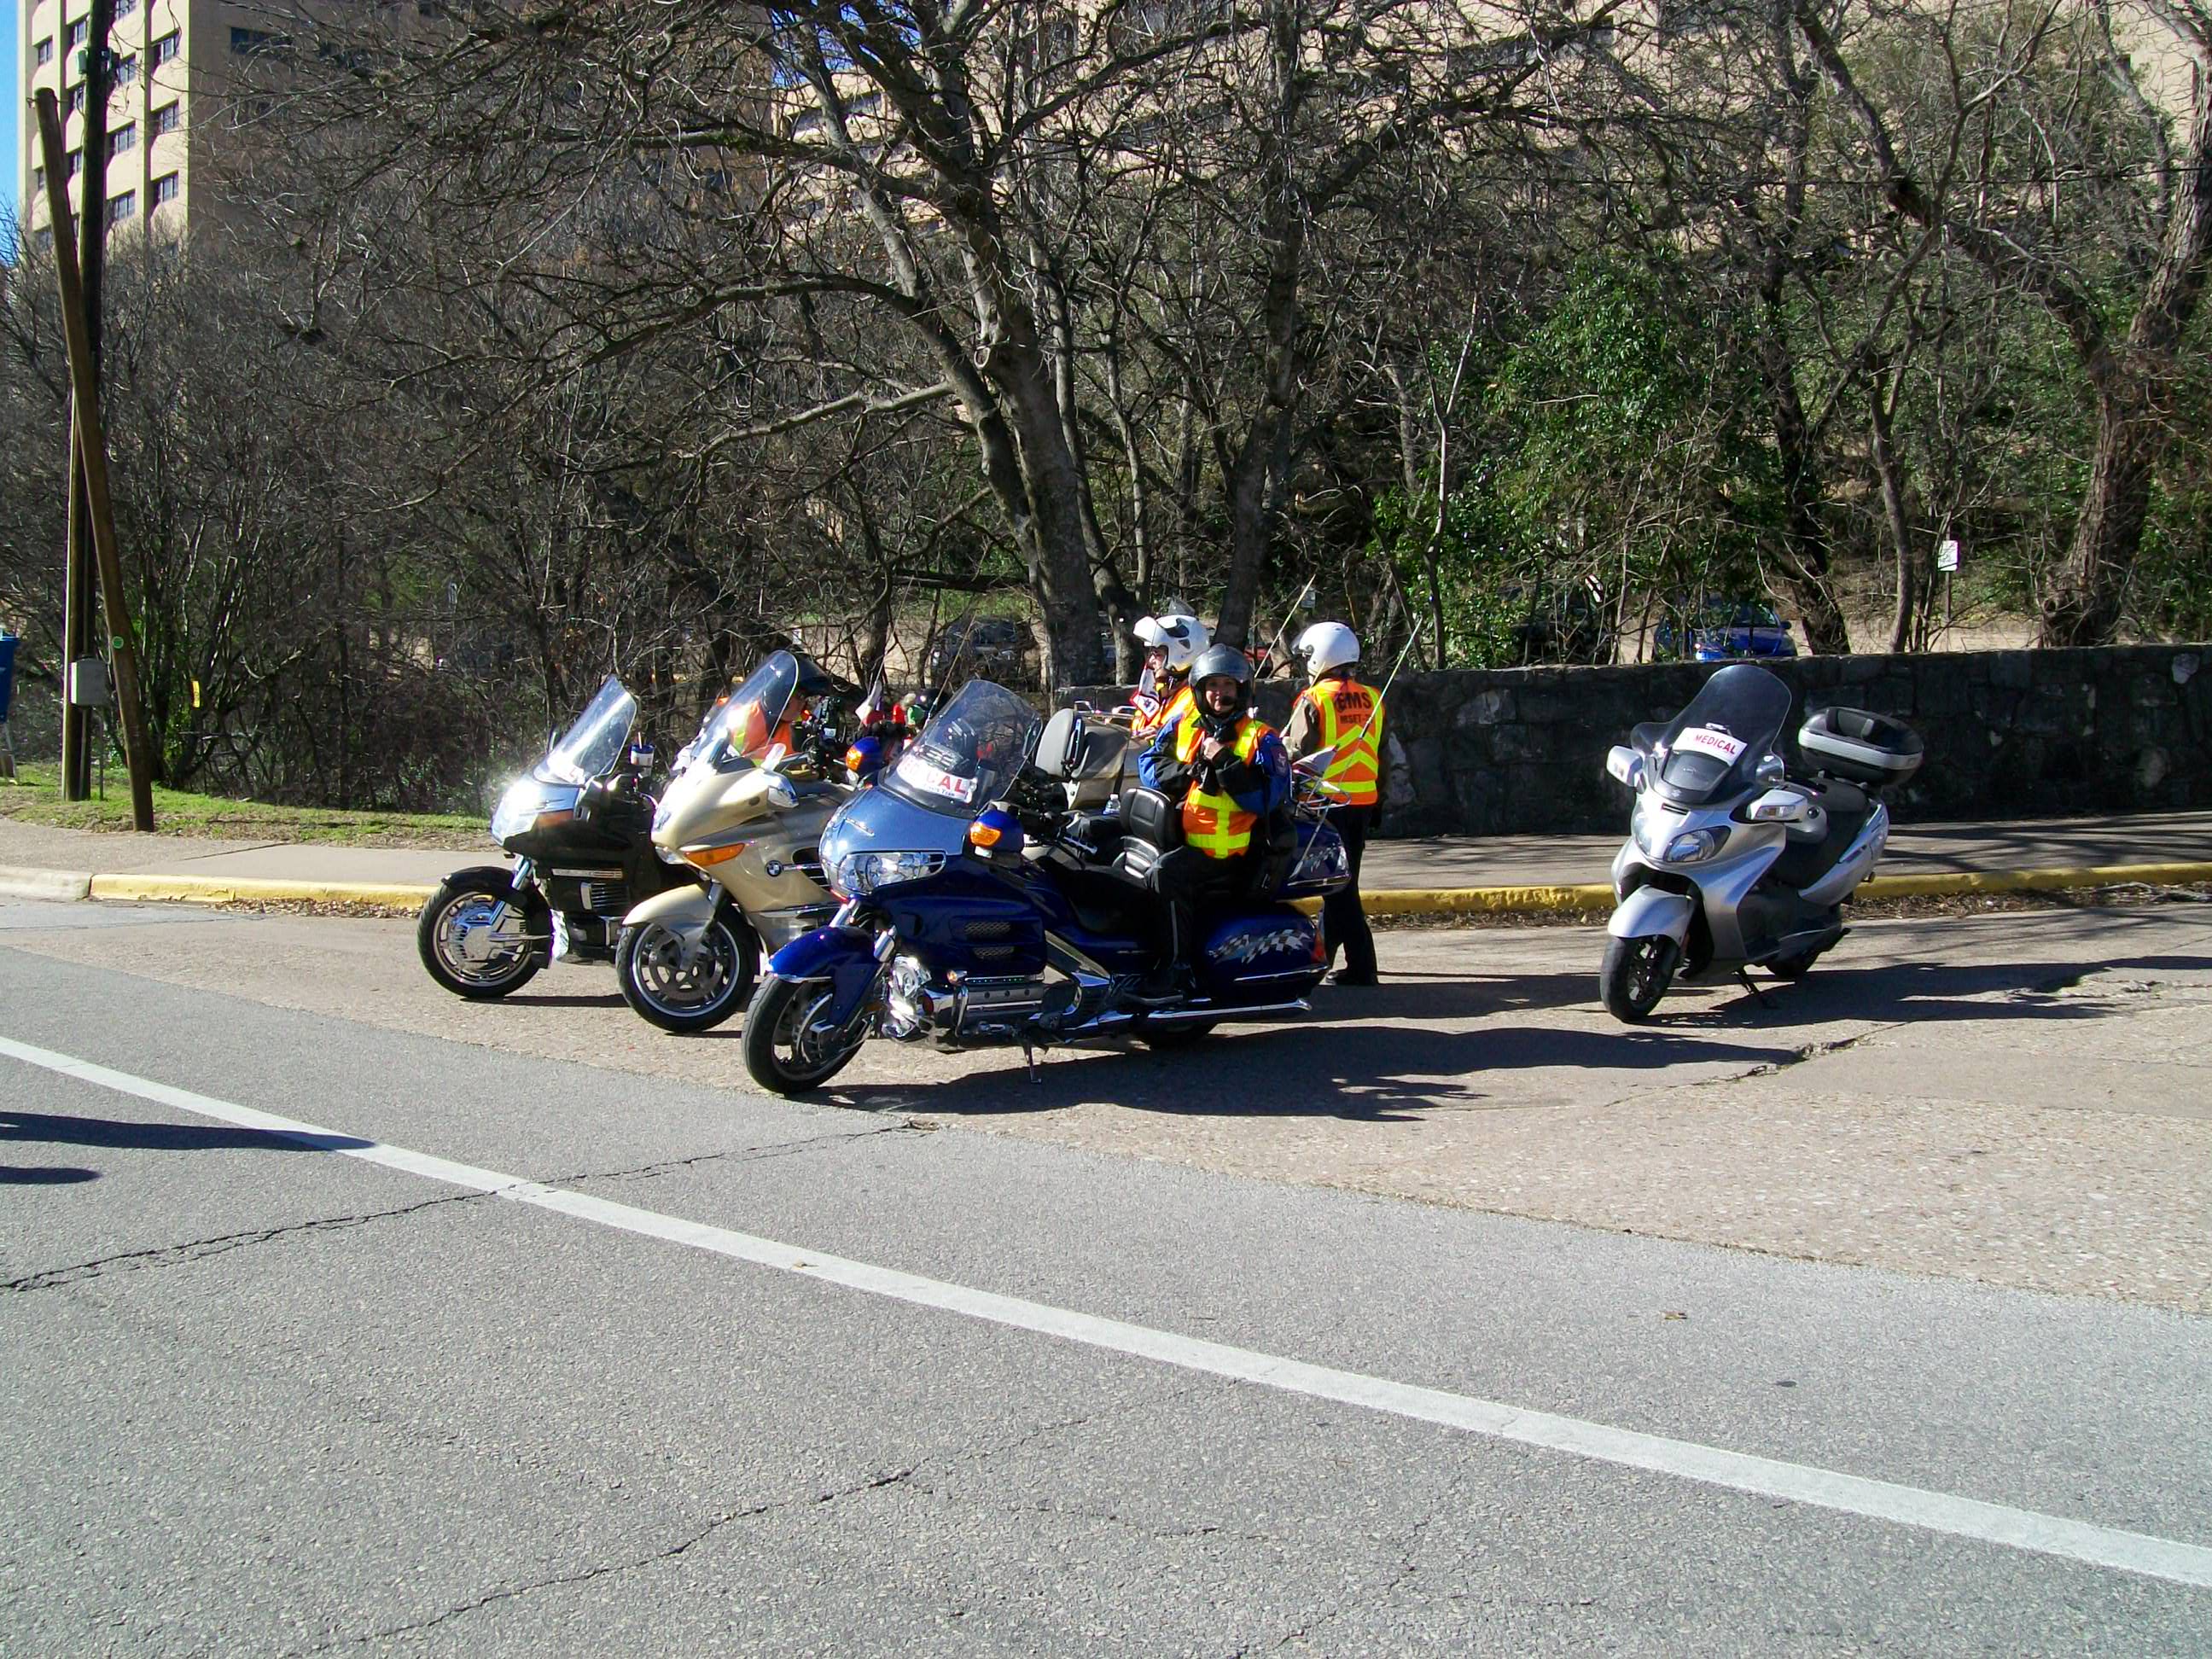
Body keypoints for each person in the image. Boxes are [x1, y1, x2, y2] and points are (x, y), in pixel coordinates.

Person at [1135, 643, 1290, 992]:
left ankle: (1177, 970)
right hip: (1188, 837)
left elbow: (1267, 798)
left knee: (1165, 874)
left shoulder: (1261, 738)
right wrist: (1189, 772)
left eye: (1228, 685)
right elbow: (1149, 765)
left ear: (1242, 689)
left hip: (1226, 851)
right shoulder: (1184, 725)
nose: (1220, 693)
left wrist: (1225, 764)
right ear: (1200, 691)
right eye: (1213, 685)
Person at [1284, 620, 1384, 987]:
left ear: (1320, 657)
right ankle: (1325, 956)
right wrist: (1380, 802)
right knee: (1340, 881)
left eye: (1307, 657)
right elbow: (1382, 754)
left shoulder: (1314, 700)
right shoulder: (1373, 697)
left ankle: (1362, 965)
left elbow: (1296, 752)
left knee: (1338, 886)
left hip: (1327, 801)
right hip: (1364, 800)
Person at [1129, 611, 1210, 740]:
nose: (1151, 661)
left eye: (1157, 654)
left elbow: (1193, 736)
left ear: (1182, 653)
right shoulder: (1160, 689)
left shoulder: (1198, 698)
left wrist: (1164, 734)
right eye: (1151, 654)